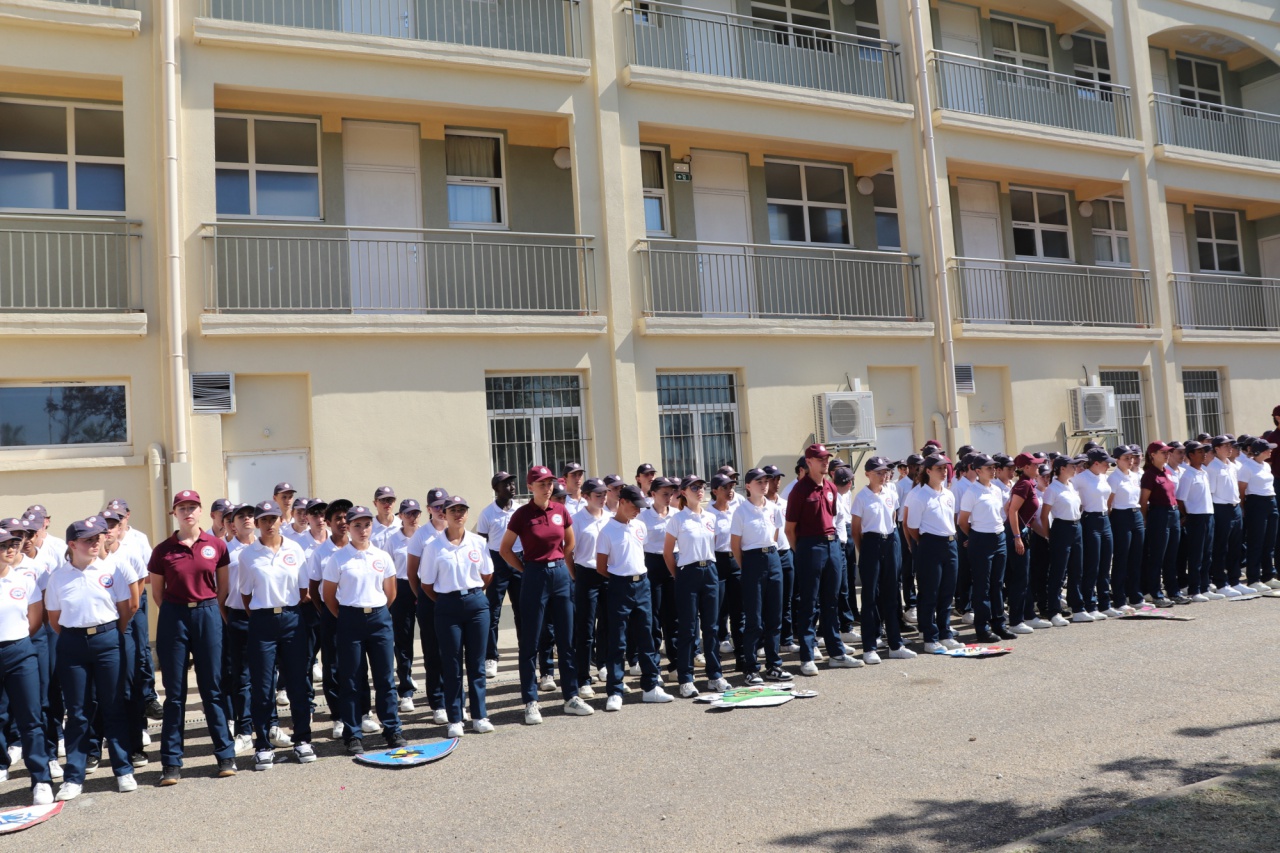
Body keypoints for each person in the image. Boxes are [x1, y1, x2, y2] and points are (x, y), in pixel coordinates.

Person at [148, 490, 238, 785]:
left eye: (192, 507)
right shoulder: (163, 550)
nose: (188, 512)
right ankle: (171, 763)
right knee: (175, 693)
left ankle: (225, 756)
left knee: (212, 688)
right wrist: (178, 612)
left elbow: (222, 588)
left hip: (207, 613)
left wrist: (206, 609)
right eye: (182, 508)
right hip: (174, 617)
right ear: (174, 513)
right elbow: (158, 594)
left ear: (201, 512)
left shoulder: (216, 545)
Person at [45, 517, 137, 799]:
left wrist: (106, 634)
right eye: (88, 540)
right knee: (78, 712)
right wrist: (79, 635)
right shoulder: (58, 577)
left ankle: (123, 770)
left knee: (113, 705)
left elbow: (125, 609)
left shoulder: (112, 569)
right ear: (72, 544)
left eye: (97, 538)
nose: (95, 543)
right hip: (72, 644)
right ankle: (74, 776)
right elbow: (55, 619)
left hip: (108, 639)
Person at [499, 466, 593, 725]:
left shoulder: (560, 510)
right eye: (541, 483)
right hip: (535, 575)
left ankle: (571, 697)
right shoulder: (521, 514)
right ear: (530, 487)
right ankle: (531, 701)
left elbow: (569, 542)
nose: (547, 487)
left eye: (550, 483)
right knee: (531, 641)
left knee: (567, 639)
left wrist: (558, 562)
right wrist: (527, 570)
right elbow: (505, 549)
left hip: (560, 575)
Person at [321, 505, 407, 755]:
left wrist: (374, 612)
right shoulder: (338, 558)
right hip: (350, 618)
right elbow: (329, 596)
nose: (362, 530)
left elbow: (390, 593)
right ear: (348, 527)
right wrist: (349, 616)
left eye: (367, 524)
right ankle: (353, 733)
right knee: (351, 679)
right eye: (357, 525)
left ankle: (392, 729)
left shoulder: (382, 556)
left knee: (385, 678)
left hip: (379, 618)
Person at [237, 501, 313, 770]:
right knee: (262, 686)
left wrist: (284, 610)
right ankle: (263, 745)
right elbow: (246, 594)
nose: (269, 524)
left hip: (292, 618)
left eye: (273, 518)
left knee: (297, 682)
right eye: (264, 520)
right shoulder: (248, 555)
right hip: (262, 621)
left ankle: (302, 740)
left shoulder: (295, 548)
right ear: (257, 524)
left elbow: (303, 590)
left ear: (281, 520)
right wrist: (264, 614)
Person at [418, 495, 495, 738]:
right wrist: (448, 600)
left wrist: (471, 595)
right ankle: (455, 718)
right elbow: (427, 584)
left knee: (477, 664)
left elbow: (487, 575)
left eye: (462, 510)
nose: (458, 515)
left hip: (476, 604)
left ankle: (480, 715)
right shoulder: (434, 547)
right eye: (453, 511)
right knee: (451, 664)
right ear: (444, 514)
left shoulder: (477, 542)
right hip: (447, 606)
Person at [594, 485, 674, 711]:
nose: (638, 511)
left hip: (643, 585)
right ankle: (615, 691)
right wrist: (621, 579)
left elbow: (640, 552)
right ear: (622, 502)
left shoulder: (639, 525)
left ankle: (650, 687)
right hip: (620, 585)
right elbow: (601, 567)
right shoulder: (607, 530)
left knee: (647, 637)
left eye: (641, 506)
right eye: (635, 506)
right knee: (618, 640)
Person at [785, 444, 863, 674]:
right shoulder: (799, 490)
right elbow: (790, 529)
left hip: (832, 545)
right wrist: (802, 551)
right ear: (809, 462)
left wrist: (833, 546)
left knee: (832, 601)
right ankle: (807, 655)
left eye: (826, 458)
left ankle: (836, 653)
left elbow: (833, 518)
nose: (825, 462)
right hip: (810, 546)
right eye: (820, 459)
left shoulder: (830, 486)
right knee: (809, 603)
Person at [0, 528, 55, 804]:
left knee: (31, 719)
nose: (10, 549)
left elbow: (34, 621)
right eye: (3, 546)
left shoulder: (25, 580)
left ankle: (41, 779)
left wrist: (15, 641)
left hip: (20, 651)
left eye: (13, 544)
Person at [663, 476, 728, 697]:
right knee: (688, 628)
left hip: (709, 570)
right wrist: (679, 576)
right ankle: (686, 678)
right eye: (694, 487)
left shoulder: (710, 516)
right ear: (683, 492)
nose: (700, 490)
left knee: (712, 627)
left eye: (701, 487)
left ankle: (715, 675)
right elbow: (667, 553)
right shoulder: (677, 519)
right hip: (687, 572)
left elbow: (712, 544)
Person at [850, 457, 916, 662]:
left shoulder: (891, 492)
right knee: (870, 596)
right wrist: (866, 551)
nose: (883, 476)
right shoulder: (862, 497)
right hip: (871, 542)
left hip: (891, 540)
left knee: (892, 594)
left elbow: (893, 517)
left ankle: (895, 644)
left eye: (885, 472)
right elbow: (856, 530)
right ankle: (869, 646)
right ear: (867, 474)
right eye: (878, 472)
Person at [903, 455, 963, 652]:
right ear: (928, 471)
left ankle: (945, 633)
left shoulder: (949, 494)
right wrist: (926, 543)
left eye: (945, 468)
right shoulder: (920, 496)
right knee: (930, 592)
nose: (944, 471)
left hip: (950, 543)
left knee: (947, 592)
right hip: (929, 544)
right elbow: (912, 527)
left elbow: (951, 519)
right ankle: (930, 637)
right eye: (939, 468)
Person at [957, 454, 1016, 642]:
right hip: (981, 539)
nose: (993, 470)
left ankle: (999, 624)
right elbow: (962, 521)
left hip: (999, 537)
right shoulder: (972, 492)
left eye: (993, 467)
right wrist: (974, 537)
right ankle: (982, 628)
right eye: (988, 468)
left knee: (998, 584)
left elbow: (1000, 514)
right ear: (978, 471)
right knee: (983, 585)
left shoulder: (996, 490)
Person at [405, 489, 449, 727]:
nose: (441, 510)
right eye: (436, 506)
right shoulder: (421, 535)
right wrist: (422, 597)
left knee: (452, 652)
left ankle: (455, 700)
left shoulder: (454, 529)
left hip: (452, 596)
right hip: (429, 598)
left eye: (444, 505)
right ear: (429, 508)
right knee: (433, 653)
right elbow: (412, 573)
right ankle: (438, 703)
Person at [221, 504, 258, 756]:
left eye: (250, 515)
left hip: (264, 616)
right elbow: (220, 592)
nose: (247, 519)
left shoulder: (263, 547)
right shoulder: (226, 551)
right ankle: (244, 731)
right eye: (241, 516)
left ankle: (268, 726)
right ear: (232, 524)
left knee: (266, 676)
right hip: (236, 616)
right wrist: (229, 618)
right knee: (241, 677)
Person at [477, 472, 522, 681]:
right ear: (496, 489)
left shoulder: (520, 510)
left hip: (518, 559)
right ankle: (490, 656)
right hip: (497, 562)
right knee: (493, 611)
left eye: (512, 483)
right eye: (506, 484)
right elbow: (482, 544)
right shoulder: (487, 513)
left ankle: (526, 650)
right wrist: (485, 568)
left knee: (522, 610)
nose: (511, 487)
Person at [569, 478, 610, 699]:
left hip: (608, 575)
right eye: (597, 495)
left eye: (604, 494)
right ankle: (583, 678)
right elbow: (568, 552)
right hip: (586, 574)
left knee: (607, 625)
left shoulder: (610, 517)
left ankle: (603, 665)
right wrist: (575, 575)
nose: (603, 498)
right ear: (585, 497)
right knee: (585, 629)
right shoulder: (576, 520)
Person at [1041, 456, 1090, 623]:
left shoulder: (1071, 485)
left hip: (1077, 527)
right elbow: (1044, 515)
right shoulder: (1053, 488)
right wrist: (1048, 535)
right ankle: (1054, 611)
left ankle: (1078, 608)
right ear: (1062, 468)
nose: (1075, 468)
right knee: (1058, 571)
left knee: (1077, 570)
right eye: (1072, 466)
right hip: (1061, 527)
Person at [386, 498, 423, 713]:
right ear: (400, 516)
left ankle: (438, 689)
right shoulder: (393, 540)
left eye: (415, 513)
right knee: (403, 641)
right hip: (401, 589)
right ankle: (406, 689)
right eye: (408, 513)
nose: (412, 517)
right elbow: (388, 571)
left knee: (432, 638)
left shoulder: (426, 536)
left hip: (425, 586)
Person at [708, 473, 745, 674]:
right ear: (715, 491)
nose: (730, 491)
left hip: (735, 560)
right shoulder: (708, 514)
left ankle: (742, 658)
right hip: (717, 561)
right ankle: (715, 664)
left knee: (739, 613)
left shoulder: (736, 511)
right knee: (715, 614)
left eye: (731, 487)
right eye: (725, 487)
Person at [638, 476, 678, 669]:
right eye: (664, 494)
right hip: (652, 564)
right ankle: (653, 665)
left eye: (671, 494)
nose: (668, 497)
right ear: (653, 494)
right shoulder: (643, 517)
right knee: (653, 617)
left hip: (674, 563)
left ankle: (676, 663)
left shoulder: (677, 514)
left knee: (674, 616)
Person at [1006, 453, 1047, 632]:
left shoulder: (1029, 483)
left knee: (1026, 577)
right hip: (1017, 534)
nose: (1038, 468)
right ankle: (1016, 621)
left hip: (1024, 531)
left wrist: (1045, 535)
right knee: (1019, 579)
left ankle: (1029, 615)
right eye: (1035, 465)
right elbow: (1012, 511)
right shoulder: (1023, 484)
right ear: (1026, 467)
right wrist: (1017, 537)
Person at [1074, 447, 1114, 620]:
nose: (1108, 466)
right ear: (1096, 463)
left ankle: (1105, 603)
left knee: (1105, 563)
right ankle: (1090, 604)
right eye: (1106, 463)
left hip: (1105, 519)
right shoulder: (1081, 478)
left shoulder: (1103, 477)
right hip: (1090, 519)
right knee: (1093, 564)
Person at [1207, 436, 1247, 597]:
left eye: (1231, 446)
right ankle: (1220, 582)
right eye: (1226, 446)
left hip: (1234, 507)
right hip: (1221, 509)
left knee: (1235, 547)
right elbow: (1210, 493)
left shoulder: (1232, 466)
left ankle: (1234, 580)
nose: (1230, 449)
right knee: (1221, 547)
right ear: (1216, 449)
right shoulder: (1212, 467)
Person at [1177, 441, 1217, 602]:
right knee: (1196, 555)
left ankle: (1205, 586)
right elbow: (1180, 499)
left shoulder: (1204, 472)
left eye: (1204, 451)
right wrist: (1187, 515)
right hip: (1196, 517)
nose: (1204, 454)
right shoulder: (1188, 475)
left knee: (1207, 553)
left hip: (1208, 515)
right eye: (1199, 452)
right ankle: (1195, 589)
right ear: (1191, 455)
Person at [1107, 446, 1144, 614]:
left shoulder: (1134, 476)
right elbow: (1109, 503)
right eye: (1126, 458)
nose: (1130, 461)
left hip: (1136, 514)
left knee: (1136, 558)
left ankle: (1135, 596)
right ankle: (1119, 598)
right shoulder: (1114, 478)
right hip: (1121, 516)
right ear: (1117, 460)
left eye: (1132, 458)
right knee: (1122, 558)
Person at [1240, 437, 1278, 591]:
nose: (1270, 451)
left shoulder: (1266, 466)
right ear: (1258, 451)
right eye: (1267, 449)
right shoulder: (1247, 466)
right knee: (1256, 542)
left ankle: (1268, 576)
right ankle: (1254, 578)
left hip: (1271, 502)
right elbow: (1242, 489)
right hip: (1256, 503)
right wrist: (1244, 507)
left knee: (1269, 542)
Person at [371, 486, 401, 551]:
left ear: (394, 502)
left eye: (390, 500)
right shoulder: (369, 527)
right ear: (375, 503)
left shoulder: (401, 525)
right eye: (383, 500)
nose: (387, 503)